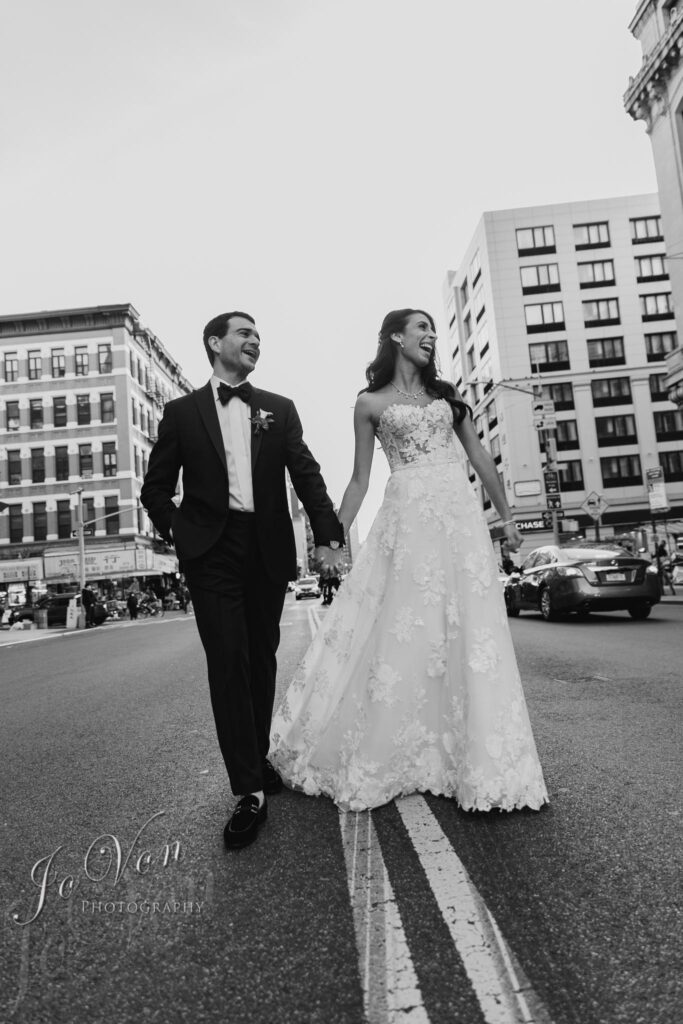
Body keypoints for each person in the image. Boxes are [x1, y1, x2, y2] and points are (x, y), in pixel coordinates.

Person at [270, 309, 548, 813]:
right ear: (396, 336)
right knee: (407, 630)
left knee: (471, 632)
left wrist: (508, 518)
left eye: (433, 330)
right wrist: (332, 539)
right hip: (407, 520)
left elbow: (480, 457)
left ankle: (479, 759)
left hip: (458, 519)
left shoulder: (448, 397)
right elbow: (359, 480)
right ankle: (404, 751)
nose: (431, 336)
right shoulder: (369, 403)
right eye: (421, 327)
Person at [141, 311, 344, 849]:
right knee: (227, 660)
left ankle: (256, 758)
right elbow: (154, 488)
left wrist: (329, 535)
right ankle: (249, 790)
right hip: (211, 551)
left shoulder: (278, 409)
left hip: (265, 547)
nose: (255, 341)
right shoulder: (181, 413)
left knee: (261, 657)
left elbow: (306, 473)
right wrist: (180, 532)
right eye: (244, 333)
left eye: (259, 336)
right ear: (215, 343)